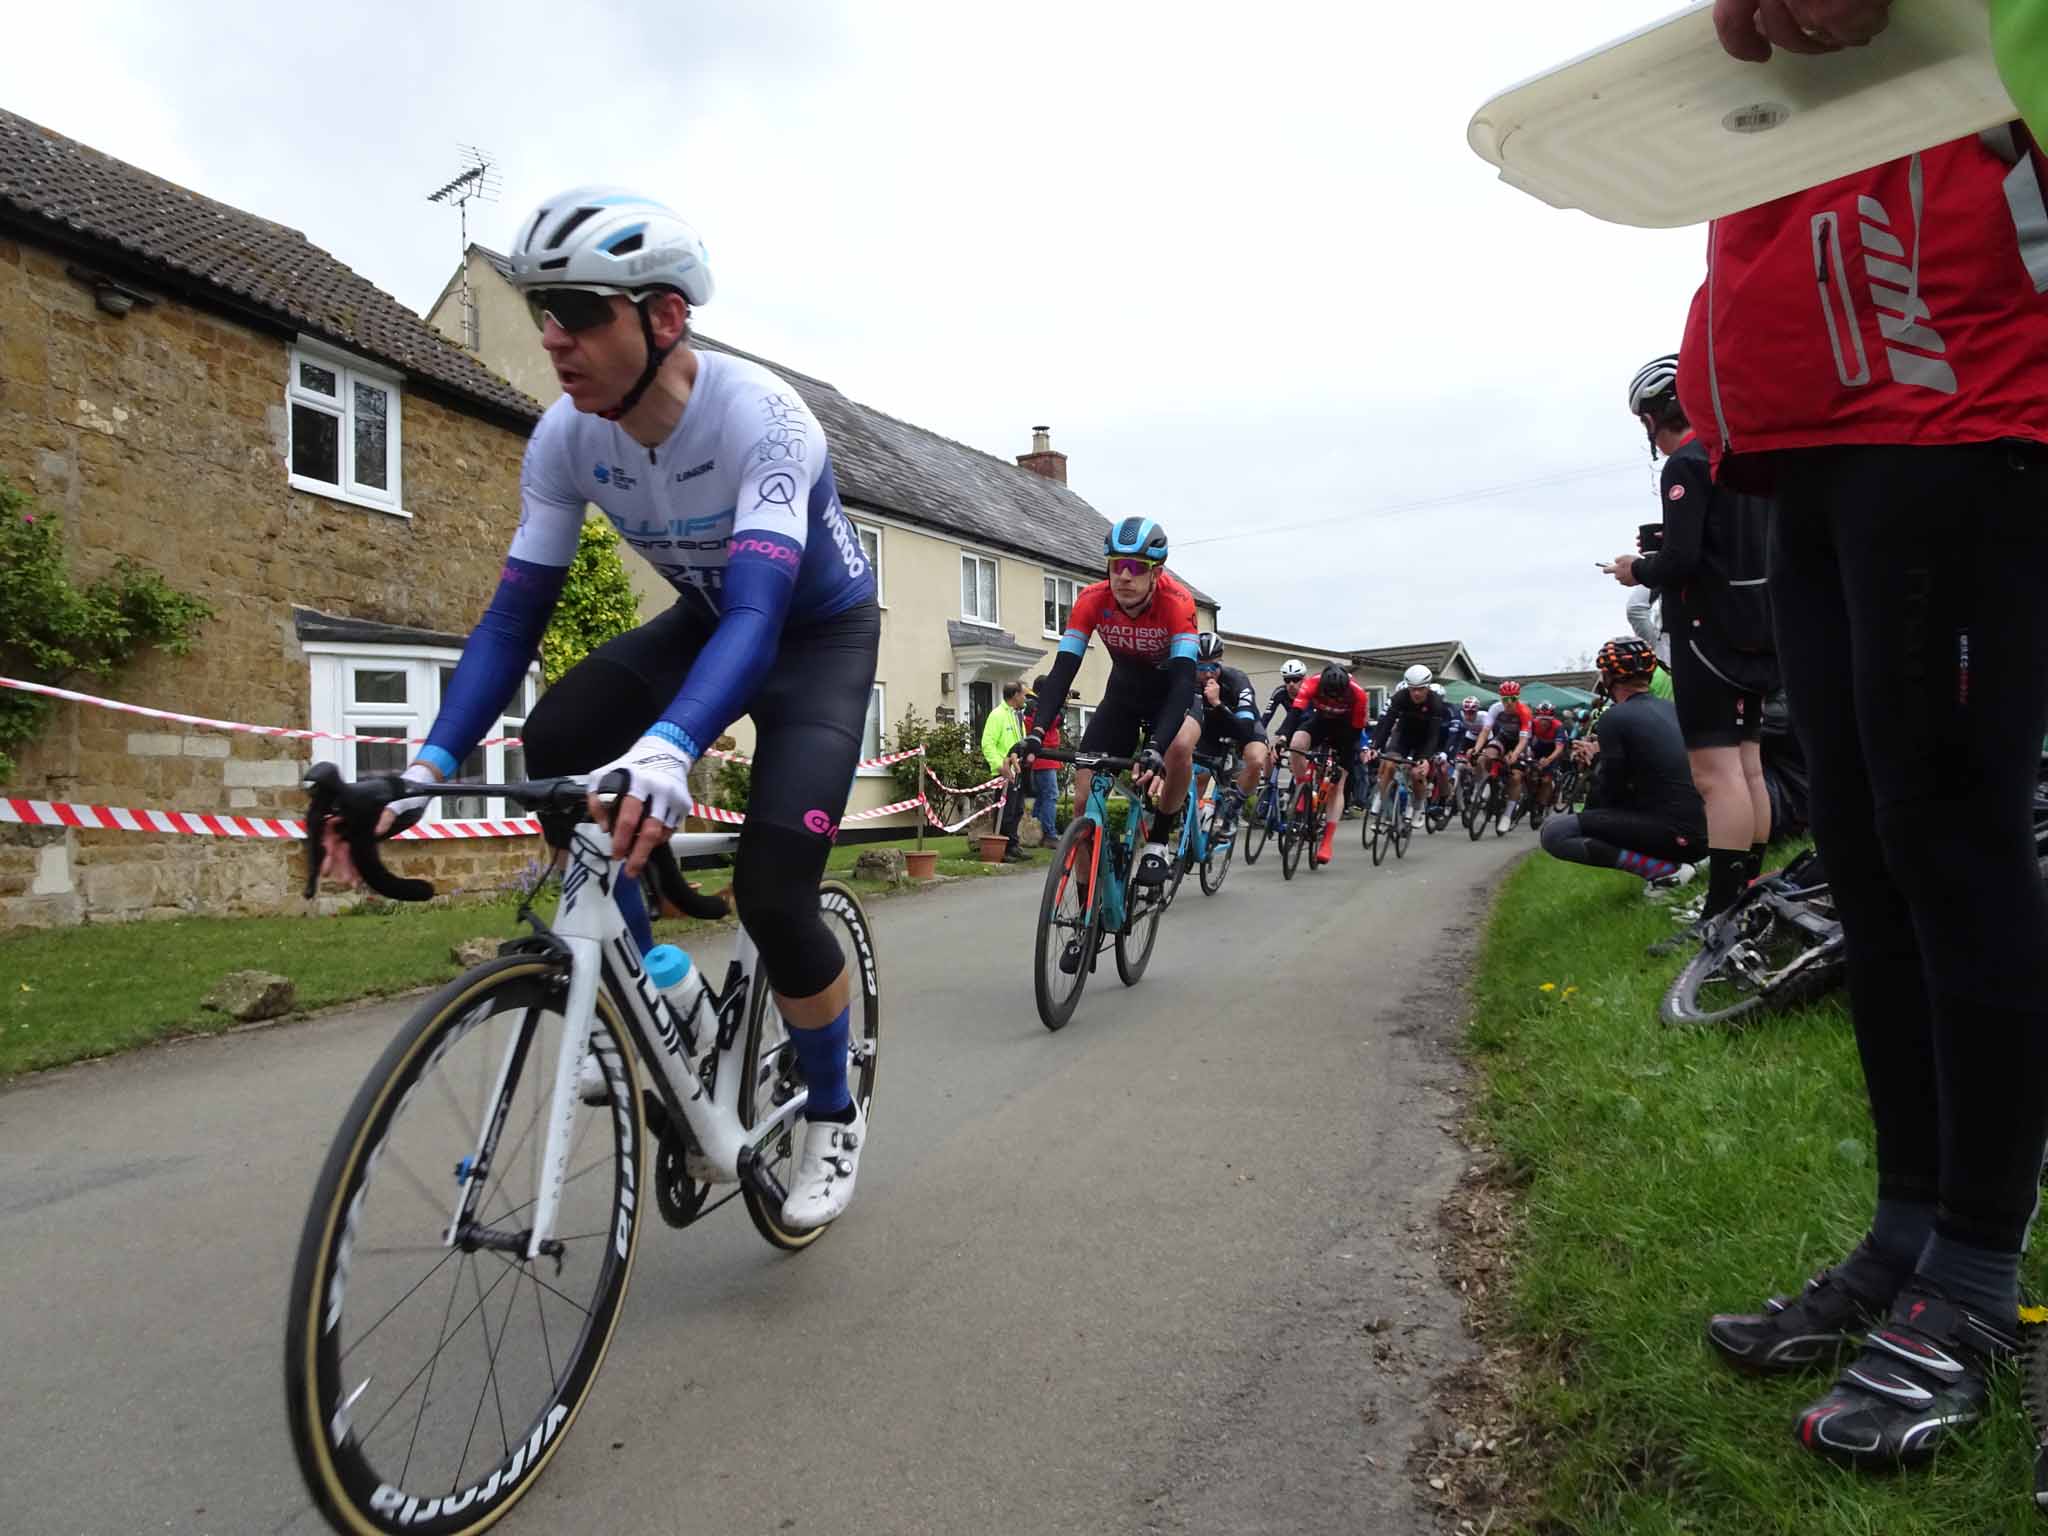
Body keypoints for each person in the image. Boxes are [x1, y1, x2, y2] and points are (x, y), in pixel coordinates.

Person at [320, 185, 878, 1231]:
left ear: (664, 317)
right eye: (544, 310)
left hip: (813, 640)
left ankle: (832, 1113)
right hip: (708, 619)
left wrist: (669, 746)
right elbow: (511, 621)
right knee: (559, 743)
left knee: (774, 894)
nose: (552, 337)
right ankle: (656, 986)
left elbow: (759, 615)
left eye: (578, 312)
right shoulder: (566, 439)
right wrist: (428, 769)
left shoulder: (762, 420)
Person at [1676, 126, 2048, 1468]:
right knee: (1866, 860)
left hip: (1958, 391)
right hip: (1803, 433)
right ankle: (1906, 1233)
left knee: (1952, 844)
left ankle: (1976, 1269)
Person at [1606, 353, 1779, 931]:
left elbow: (1680, 562)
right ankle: (1748, 893)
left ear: (1653, 416)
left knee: (1715, 774)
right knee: (1749, 767)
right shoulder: (1736, 454)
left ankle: (1721, 913)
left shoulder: (1685, 463)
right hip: (1757, 625)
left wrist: (1637, 567)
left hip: (1708, 632)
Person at [1021, 517, 1201, 890]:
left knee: (1179, 748)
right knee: (1082, 801)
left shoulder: (1177, 602)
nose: (1124, 576)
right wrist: (1036, 732)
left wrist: (1156, 746)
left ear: (1157, 573)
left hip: (1171, 699)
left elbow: (1184, 682)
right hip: (1122, 700)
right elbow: (1063, 671)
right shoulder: (1092, 599)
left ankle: (1158, 842)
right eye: (1117, 565)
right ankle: (1086, 906)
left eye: (1136, 567)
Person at [1538, 639, 1707, 888]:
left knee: (1554, 832)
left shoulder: (1613, 718)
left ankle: (1665, 872)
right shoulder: (1673, 709)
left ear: (1608, 677)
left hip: (1677, 834)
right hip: (1704, 828)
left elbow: (1608, 796)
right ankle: (1690, 861)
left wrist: (1596, 762)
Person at [1286, 663, 1370, 866]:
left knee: (1338, 784)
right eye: (1328, 695)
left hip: (1346, 729)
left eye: (1337, 696)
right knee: (1296, 744)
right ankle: (1302, 788)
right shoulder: (1312, 683)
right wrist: (1282, 737)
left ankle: (1327, 841)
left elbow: (1356, 732)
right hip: (1320, 722)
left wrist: (1343, 760)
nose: (1333, 699)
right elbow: (1295, 714)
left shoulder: (1358, 694)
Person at [1191, 633, 1270, 831]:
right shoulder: (1188, 681)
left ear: (1221, 663)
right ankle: (1190, 826)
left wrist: (1217, 703)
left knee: (1256, 760)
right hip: (1211, 729)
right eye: (1201, 668)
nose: (1208, 674)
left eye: (1213, 667)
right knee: (1199, 774)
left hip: (1243, 725)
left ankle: (1234, 809)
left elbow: (1245, 730)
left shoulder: (1237, 680)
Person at [1371, 664, 1447, 828]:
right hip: (1403, 736)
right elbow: (1387, 723)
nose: (1416, 693)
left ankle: (1418, 807)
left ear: (1428, 687)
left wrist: (1425, 758)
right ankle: (1383, 803)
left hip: (1424, 740)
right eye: (1413, 689)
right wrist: (1375, 747)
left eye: (1421, 689)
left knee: (1416, 773)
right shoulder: (1400, 697)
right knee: (1389, 764)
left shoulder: (1435, 702)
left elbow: (1433, 735)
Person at [1471, 681, 1533, 834]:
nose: (1509, 702)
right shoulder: (1496, 708)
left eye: (1513, 699)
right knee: (1484, 757)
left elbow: (1523, 740)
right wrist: (1476, 749)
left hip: (1519, 742)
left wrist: (1515, 754)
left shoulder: (1524, 711)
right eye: (1505, 699)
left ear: (1518, 698)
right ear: (1501, 698)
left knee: (1516, 777)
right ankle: (1487, 784)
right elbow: (1485, 731)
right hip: (1503, 738)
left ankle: (1507, 814)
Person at [982, 680, 1030, 863]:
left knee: (1017, 810)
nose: (1025, 698)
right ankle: (1002, 849)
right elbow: (987, 744)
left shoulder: (1017, 716)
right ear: (1015, 695)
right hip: (1004, 773)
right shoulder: (997, 715)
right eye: (1023, 694)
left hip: (1018, 770)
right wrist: (1000, 766)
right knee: (1005, 811)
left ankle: (1013, 845)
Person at [1026, 675, 1064, 841]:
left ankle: (1035, 831)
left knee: (1042, 797)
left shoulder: (1032, 705)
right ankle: (1049, 833)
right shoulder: (1038, 707)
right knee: (1050, 795)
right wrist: (1061, 704)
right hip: (1044, 757)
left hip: (1043, 757)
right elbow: (1055, 720)